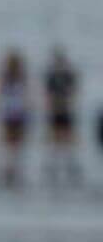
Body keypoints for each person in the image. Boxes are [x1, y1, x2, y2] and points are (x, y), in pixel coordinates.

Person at [0, 49, 31, 190]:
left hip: (17, 114)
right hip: (9, 113)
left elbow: (26, 96)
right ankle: (8, 170)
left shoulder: (22, 77)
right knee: (9, 144)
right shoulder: (5, 78)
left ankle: (14, 170)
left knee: (16, 145)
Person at [43, 48, 80, 188]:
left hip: (66, 110)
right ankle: (53, 164)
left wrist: (66, 102)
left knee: (68, 139)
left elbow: (74, 92)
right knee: (54, 138)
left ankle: (69, 164)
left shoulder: (68, 76)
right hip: (55, 111)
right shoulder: (51, 77)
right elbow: (47, 95)